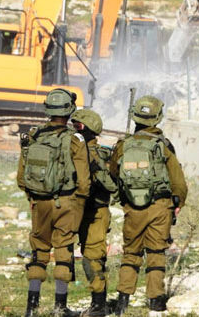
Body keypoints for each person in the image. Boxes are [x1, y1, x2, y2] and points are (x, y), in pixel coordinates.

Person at [110, 95, 188, 315]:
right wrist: (177, 203)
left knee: (130, 254)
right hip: (159, 207)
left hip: (132, 209)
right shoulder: (163, 146)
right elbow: (179, 183)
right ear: (157, 118)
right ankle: (155, 301)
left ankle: (123, 301)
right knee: (155, 253)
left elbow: (113, 173)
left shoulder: (124, 145)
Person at [17, 88, 91, 317]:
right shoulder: (75, 139)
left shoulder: (34, 136)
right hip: (66, 202)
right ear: (69, 111)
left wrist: (34, 197)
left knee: (38, 251)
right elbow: (85, 181)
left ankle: (32, 308)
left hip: (39, 202)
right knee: (63, 250)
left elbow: (22, 177)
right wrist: (77, 204)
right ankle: (60, 307)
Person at [72, 108, 117, 316]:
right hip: (74, 210)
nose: (75, 129)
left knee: (93, 256)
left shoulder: (102, 156)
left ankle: (98, 305)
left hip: (95, 211)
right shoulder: (72, 150)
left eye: (79, 126)